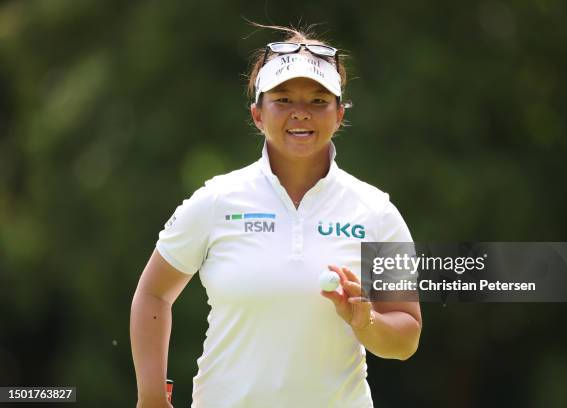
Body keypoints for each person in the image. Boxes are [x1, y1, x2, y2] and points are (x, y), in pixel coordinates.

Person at [130, 25, 422, 408]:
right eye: (283, 99)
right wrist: (152, 397)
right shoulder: (216, 201)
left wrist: (362, 318)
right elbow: (153, 293)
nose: (300, 113)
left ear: (339, 115)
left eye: (319, 101)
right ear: (257, 113)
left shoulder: (376, 211)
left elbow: (405, 338)